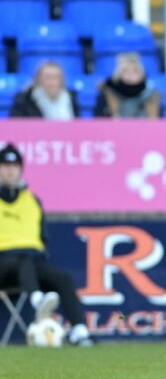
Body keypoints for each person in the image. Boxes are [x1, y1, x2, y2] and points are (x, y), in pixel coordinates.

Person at [0, 144, 93, 346]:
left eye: (15, 165)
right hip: (2, 263)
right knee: (24, 259)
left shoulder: (33, 200)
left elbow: (43, 237)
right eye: (5, 165)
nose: (10, 170)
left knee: (63, 278)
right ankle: (38, 301)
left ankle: (79, 331)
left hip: (30, 263)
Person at [94, 53, 161, 119]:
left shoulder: (153, 95)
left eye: (135, 70)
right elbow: (99, 122)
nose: (131, 74)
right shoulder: (106, 94)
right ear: (118, 74)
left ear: (142, 73)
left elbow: (159, 122)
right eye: (125, 71)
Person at [9, 62, 80, 120]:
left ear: (62, 80)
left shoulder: (71, 98)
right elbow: (15, 125)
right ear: (38, 79)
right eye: (48, 77)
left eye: (56, 77)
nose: (52, 81)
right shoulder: (25, 99)